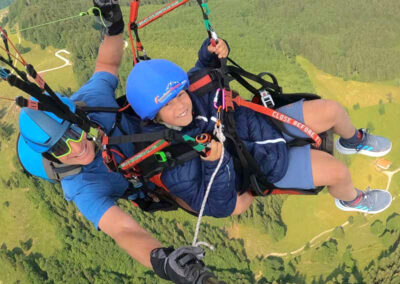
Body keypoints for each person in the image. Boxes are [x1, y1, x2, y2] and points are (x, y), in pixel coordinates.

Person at [17, 1, 221, 283]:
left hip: (156, 126)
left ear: (79, 118)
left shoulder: (92, 103)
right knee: (215, 202)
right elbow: (123, 230)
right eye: (61, 148)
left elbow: (107, 64)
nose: (77, 147)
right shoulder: (82, 187)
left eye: (75, 133)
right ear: (51, 157)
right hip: (150, 174)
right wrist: (164, 262)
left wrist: (114, 27)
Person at [125, 38, 393, 218]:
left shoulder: (193, 91)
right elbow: (218, 205)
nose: (182, 105)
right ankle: (352, 199)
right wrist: (213, 163)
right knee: (338, 172)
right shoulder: (173, 165)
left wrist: (211, 50)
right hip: (268, 165)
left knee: (332, 109)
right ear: (154, 116)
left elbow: (203, 70)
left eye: (180, 94)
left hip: (265, 122)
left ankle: (353, 140)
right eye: (169, 105)